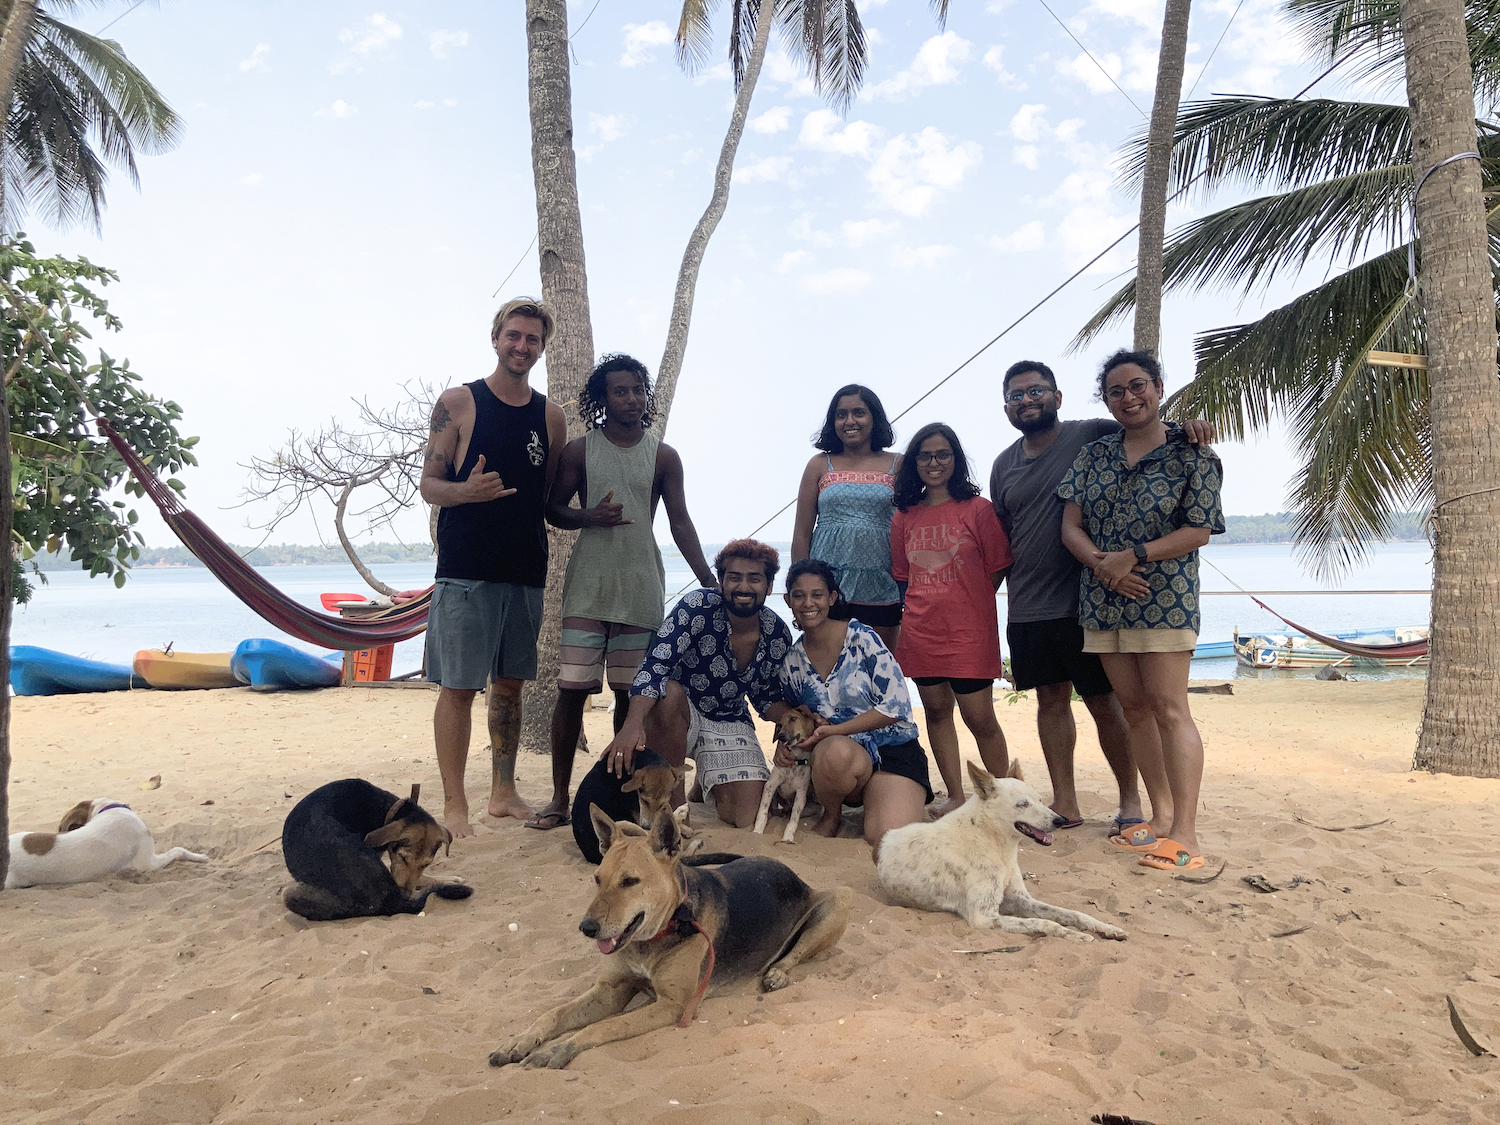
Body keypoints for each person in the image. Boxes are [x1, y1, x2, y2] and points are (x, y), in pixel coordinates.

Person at [990, 359, 1214, 838]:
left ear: (1057, 396)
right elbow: (1012, 532)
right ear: (1006, 406)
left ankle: (1141, 808)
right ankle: (1076, 803)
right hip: (1045, 601)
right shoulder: (1020, 463)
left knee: (1123, 705)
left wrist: (1188, 425)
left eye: (1036, 391)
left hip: (1109, 598)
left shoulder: (1090, 434)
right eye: (1016, 395)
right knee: (1061, 702)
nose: (1027, 400)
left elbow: (1148, 428)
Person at [528, 354, 715, 831]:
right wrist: (590, 516)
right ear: (602, 399)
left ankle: (617, 797)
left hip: (639, 589)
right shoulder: (578, 451)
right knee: (571, 693)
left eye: (637, 390)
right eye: (620, 391)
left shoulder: (663, 456)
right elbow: (552, 510)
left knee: (631, 699)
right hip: (588, 589)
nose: (631, 399)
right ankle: (556, 797)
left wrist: (709, 580)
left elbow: (679, 522)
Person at [1057, 349, 1224, 871]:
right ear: (1105, 400)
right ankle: (1160, 817)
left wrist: (1137, 555)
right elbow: (1070, 526)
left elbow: (1198, 530)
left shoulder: (1192, 453)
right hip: (1104, 601)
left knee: (1171, 709)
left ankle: (1188, 836)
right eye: (1116, 391)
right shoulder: (1095, 456)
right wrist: (1103, 564)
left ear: (1157, 386)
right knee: (1134, 711)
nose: (1129, 397)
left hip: (1164, 598)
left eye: (1138, 386)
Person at [420, 297, 568, 839]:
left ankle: (502, 793)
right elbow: (428, 485)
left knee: (509, 687)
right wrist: (467, 491)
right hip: (466, 570)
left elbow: (545, 498)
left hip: (526, 570)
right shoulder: (458, 403)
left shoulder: (550, 416)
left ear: (542, 347)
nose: (522, 346)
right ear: (496, 337)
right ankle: (455, 803)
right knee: (458, 687)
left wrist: (590, 517)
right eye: (514, 335)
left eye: (532, 339)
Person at [602, 539, 795, 829]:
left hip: (729, 717)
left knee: (746, 817)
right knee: (667, 693)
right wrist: (632, 724)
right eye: (734, 577)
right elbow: (656, 666)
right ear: (720, 581)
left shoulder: (777, 633)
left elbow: (766, 697)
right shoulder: (696, 607)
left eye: (754, 578)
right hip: (679, 713)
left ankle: (704, 782)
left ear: (769, 586)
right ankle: (675, 806)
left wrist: (801, 721)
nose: (743, 587)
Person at [890, 423, 1013, 815]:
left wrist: (967, 599)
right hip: (921, 631)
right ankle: (956, 796)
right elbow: (903, 576)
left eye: (943, 454)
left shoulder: (978, 509)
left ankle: (1005, 799)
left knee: (980, 717)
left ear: (956, 459)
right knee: (938, 712)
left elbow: (996, 567)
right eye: (925, 455)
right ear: (914, 463)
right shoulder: (904, 515)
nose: (934, 462)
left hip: (969, 632)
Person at [778, 558, 933, 849]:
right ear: (788, 600)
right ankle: (832, 814)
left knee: (885, 837)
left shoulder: (862, 637)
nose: (808, 603)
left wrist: (838, 729)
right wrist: (785, 741)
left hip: (893, 751)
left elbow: (897, 705)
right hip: (841, 759)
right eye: (799, 595)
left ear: (832, 598)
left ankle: (881, 798)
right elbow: (796, 714)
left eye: (817, 594)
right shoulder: (792, 662)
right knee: (833, 750)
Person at [791, 385, 903, 651]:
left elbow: (910, 527)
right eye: (841, 414)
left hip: (881, 585)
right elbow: (802, 533)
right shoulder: (819, 464)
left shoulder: (899, 464)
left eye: (858, 413)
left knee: (880, 673)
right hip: (827, 588)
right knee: (826, 674)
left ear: (874, 418)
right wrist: (800, 586)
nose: (850, 421)